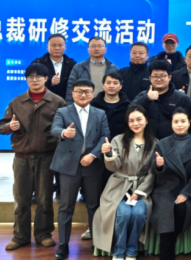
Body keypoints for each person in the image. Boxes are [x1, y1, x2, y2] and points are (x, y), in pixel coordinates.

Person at [0, 63, 66, 251]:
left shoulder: (57, 102)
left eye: (38, 76)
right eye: (30, 77)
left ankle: (43, 234)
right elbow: (2, 127)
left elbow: (65, 127)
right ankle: (20, 236)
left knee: (45, 198)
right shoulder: (17, 102)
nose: (34, 80)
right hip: (22, 157)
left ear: (46, 78)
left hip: (47, 157)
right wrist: (9, 127)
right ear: (26, 79)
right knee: (21, 199)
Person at [50, 79, 110, 260]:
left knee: (93, 205)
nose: (83, 95)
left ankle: (96, 241)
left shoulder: (100, 113)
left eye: (87, 91)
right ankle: (63, 244)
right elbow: (54, 129)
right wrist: (64, 133)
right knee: (66, 206)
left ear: (92, 93)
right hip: (68, 166)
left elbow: (105, 136)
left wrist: (93, 155)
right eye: (79, 91)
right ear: (72, 93)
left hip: (92, 165)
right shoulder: (63, 111)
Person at [93, 105, 158, 260]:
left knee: (139, 213)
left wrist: (139, 193)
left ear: (146, 120)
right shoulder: (118, 140)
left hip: (142, 189)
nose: (135, 123)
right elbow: (113, 167)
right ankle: (119, 251)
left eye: (139, 119)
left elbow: (152, 173)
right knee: (123, 213)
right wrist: (109, 153)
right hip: (118, 187)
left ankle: (131, 251)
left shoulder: (155, 143)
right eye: (131, 120)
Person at [151, 108, 191, 260]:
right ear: (171, 124)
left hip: (187, 187)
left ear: (189, 123)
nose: (179, 124)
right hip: (165, 188)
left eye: (183, 121)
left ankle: (172, 241)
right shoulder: (162, 143)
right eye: (176, 122)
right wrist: (159, 165)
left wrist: (186, 193)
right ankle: (166, 254)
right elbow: (155, 170)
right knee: (165, 210)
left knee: (181, 207)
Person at [90, 71, 132, 194]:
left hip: (120, 152)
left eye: (115, 83)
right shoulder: (93, 105)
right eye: (108, 83)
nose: (111, 86)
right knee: (96, 186)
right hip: (96, 151)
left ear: (121, 86)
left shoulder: (128, 106)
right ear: (103, 85)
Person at [132, 60, 191, 139]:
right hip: (147, 141)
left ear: (169, 77)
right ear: (150, 78)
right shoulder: (143, 95)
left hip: (173, 142)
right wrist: (147, 98)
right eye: (155, 76)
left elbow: (190, 123)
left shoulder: (182, 98)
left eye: (163, 76)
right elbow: (130, 111)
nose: (159, 79)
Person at [66, 36, 119, 104]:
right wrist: (69, 106)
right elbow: (70, 88)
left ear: (105, 49)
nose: (96, 49)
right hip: (84, 104)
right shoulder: (78, 67)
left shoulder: (113, 68)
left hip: (105, 105)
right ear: (88, 49)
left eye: (100, 46)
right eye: (93, 46)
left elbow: (118, 89)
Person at [33, 33, 76, 100]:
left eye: (60, 45)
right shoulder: (38, 63)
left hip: (65, 102)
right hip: (43, 101)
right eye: (53, 45)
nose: (57, 48)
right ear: (47, 47)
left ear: (65, 47)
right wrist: (50, 82)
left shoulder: (72, 64)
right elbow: (32, 80)